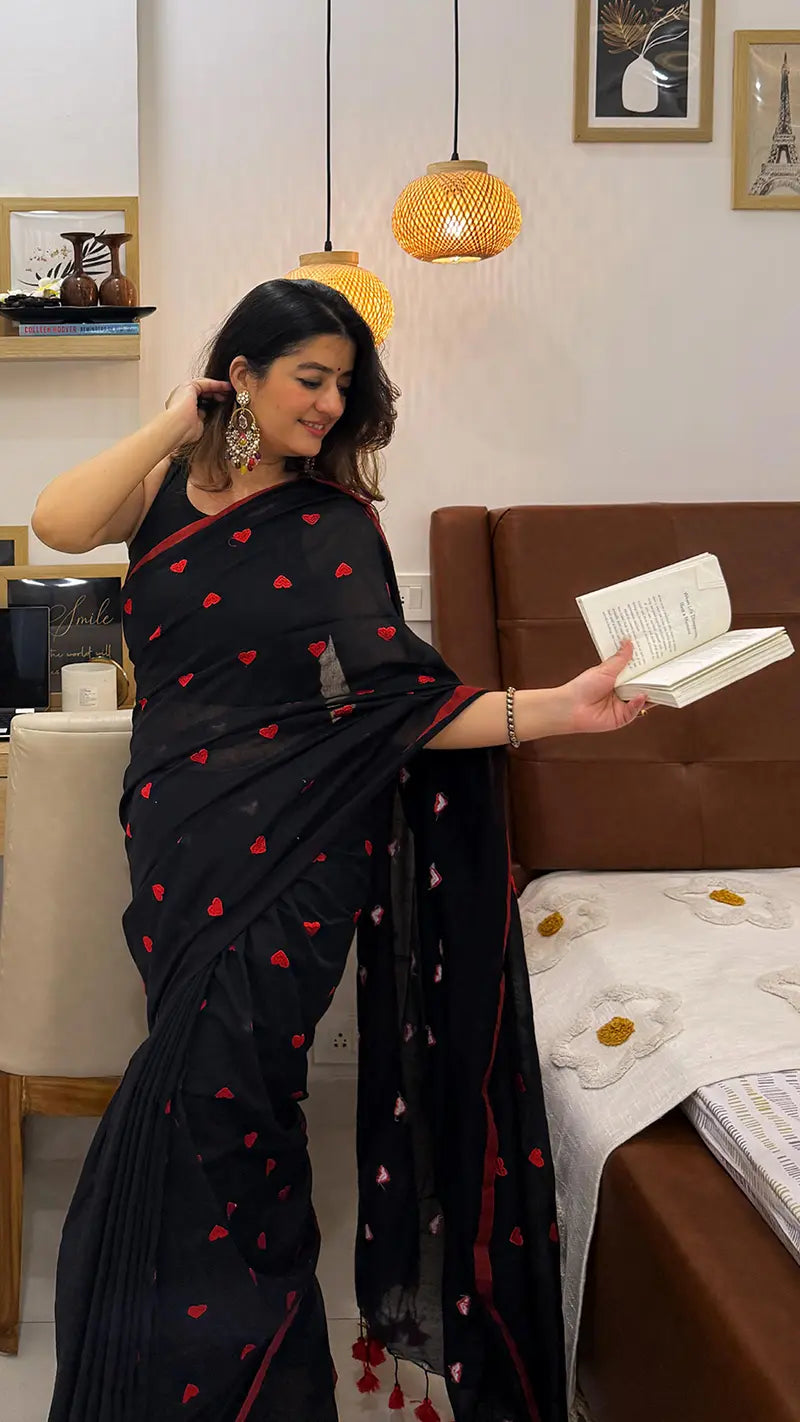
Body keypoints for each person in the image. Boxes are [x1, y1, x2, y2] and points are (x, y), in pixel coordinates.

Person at [32, 279, 648, 1422]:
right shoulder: (164, 484)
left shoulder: (333, 524)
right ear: (243, 376)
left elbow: (399, 704)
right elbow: (58, 525)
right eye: (308, 379)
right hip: (176, 828)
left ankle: (244, 1385)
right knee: (204, 1091)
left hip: (301, 845)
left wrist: (559, 709)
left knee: (230, 1099)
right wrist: (177, 416)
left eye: (344, 387)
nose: (329, 404)